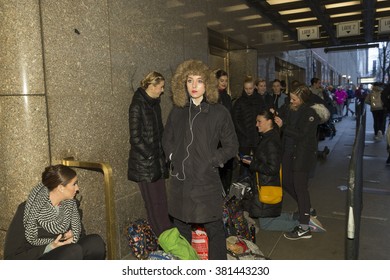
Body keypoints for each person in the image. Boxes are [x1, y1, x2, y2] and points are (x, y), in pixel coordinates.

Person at [162, 59, 239, 260]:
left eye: (199, 81)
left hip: (206, 181)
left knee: (214, 228)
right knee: (181, 228)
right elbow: (167, 138)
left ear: (208, 84)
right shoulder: (177, 111)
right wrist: (173, 156)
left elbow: (232, 146)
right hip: (181, 181)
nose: (194, 86)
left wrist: (212, 160)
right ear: (183, 84)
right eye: (189, 81)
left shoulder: (219, 112)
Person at [127, 71, 198, 260]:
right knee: (154, 206)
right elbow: (135, 139)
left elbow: (160, 133)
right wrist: (153, 155)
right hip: (145, 165)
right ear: (151, 85)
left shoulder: (154, 104)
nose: (163, 90)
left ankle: (168, 243)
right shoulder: (137, 105)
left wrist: (166, 151)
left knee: (161, 204)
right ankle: (168, 244)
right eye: (161, 86)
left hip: (156, 162)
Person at [4, 164, 106, 260]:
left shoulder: (70, 206)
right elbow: (11, 256)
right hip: (39, 258)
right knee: (72, 251)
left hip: (68, 253)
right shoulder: (27, 209)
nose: (77, 188)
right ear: (61, 188)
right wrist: (50, 247)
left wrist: (71, 236)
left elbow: (81, 235)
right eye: (74, 184)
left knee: (95, 243)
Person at [274, 85, 329, 240]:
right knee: (285, 181)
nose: (291, 101)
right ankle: (307, 208)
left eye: (294, 99)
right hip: (288, 151)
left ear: (303, 99)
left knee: (300, 188)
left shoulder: (310, 113)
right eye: (290, 98)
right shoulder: (290, 108)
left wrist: (283, 125)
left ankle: (304, 227)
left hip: (302, 155)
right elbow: (281, 116)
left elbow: (302, 135)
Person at [241, 110, 282, 221]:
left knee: (266, 222)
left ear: (269, 122)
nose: (256, 125)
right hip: (264, 183)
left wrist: (252, 163)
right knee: (264, 219)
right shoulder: (268, 136)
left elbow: (273, 168)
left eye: (259, 121)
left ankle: (301, 222)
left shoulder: (271, 141)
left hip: (267, 185)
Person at [232, 76, 263, 178]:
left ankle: (256, 184)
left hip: (257, 136)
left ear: (254, 87)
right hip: (244, 138)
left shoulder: (259, 100)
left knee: (258, 162)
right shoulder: (239, 102)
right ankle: (244, 185)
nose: (248, 91)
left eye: (250, 88)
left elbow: (264, 116)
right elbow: (235, 120)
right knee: (244, 164)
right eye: (246, 88)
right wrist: (243, 133)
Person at [215, 69, 234, 194]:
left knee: (228, 167)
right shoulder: (211, 96)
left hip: (227, 137)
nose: (224, 83)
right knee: (219, 168)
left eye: (226, 81)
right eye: (222, 80)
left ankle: (226, 194)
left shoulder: (227, 97)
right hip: (216, 139)